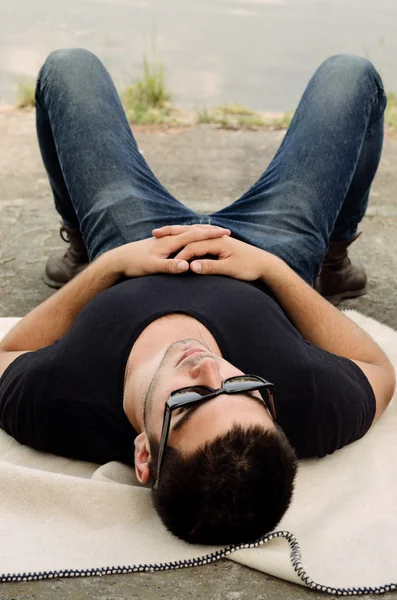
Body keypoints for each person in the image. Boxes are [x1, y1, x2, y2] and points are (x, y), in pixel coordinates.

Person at [0, 49, 394, 546]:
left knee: (67, 68)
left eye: (187, 402)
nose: (209, 368)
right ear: (271, 413)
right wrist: (272, 268)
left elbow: (5, 354)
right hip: (266, 250)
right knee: (351, 75)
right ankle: (333, 263)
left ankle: (81, 246)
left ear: (144, 454)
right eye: (243, 387)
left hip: (135, 241)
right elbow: (378, 370)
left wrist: (106, 268)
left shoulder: (59, 401)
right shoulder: (306, 402)